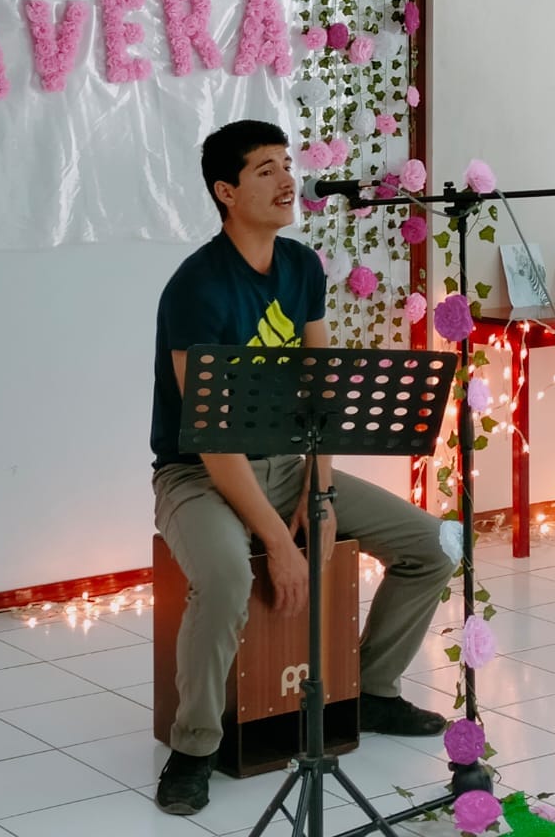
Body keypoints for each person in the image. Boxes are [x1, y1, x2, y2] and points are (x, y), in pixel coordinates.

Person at [150, 119, 454, 816]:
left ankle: (371, 690)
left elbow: (320, 398)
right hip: (199, 474)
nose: (288, 179)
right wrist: (281, 542)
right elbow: (213, 440)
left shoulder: (302, 268)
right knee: (228, 577)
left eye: (288, 163)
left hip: (289, 462)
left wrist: (317, 500)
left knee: (431, 547)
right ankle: (193, 748)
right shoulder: (196, 288)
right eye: (265, 169)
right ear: (226, 192)